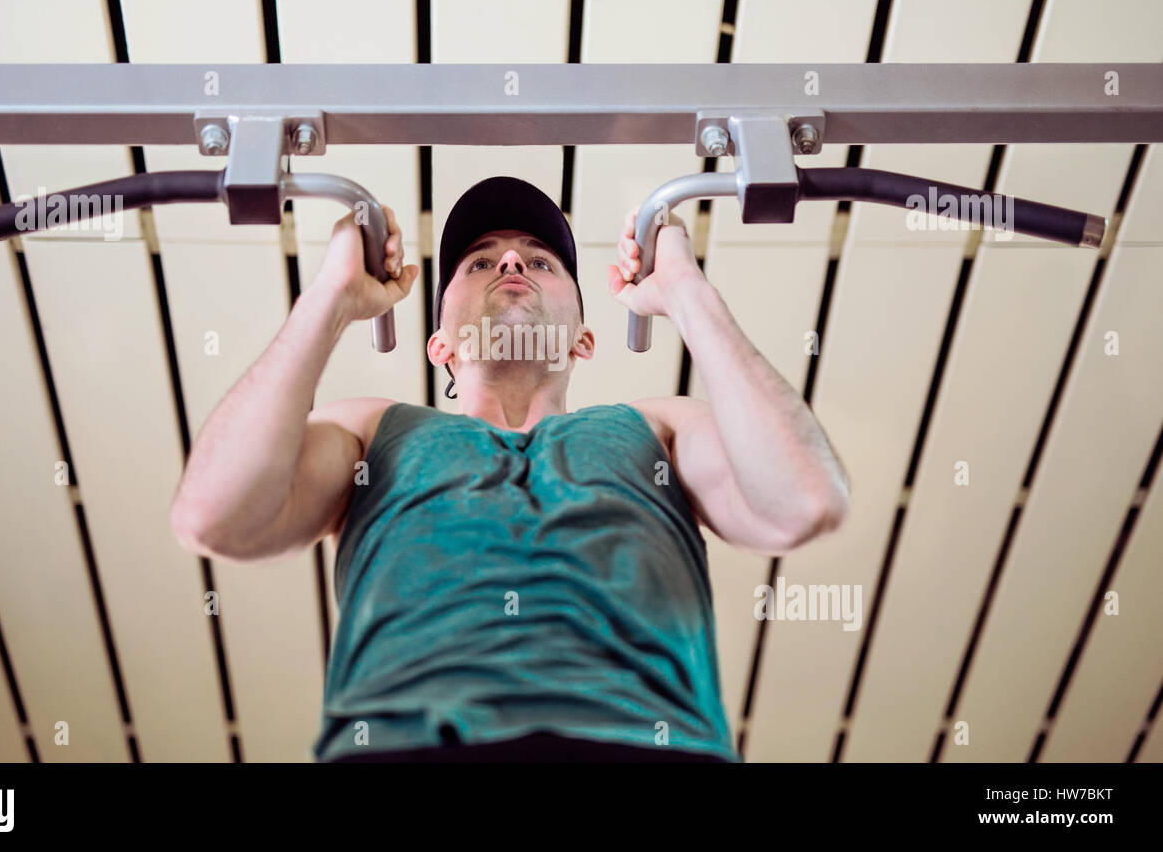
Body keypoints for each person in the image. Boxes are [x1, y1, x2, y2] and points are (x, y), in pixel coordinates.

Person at [170, 176, 850, 763]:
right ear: (440, 342)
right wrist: (331, 295)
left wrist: (686, 290)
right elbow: (214, 513)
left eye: (542, 261)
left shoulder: (659, 427)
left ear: (584, 336)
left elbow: (805, 498)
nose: (512, 263)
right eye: (479, 262)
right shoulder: (375, 429)